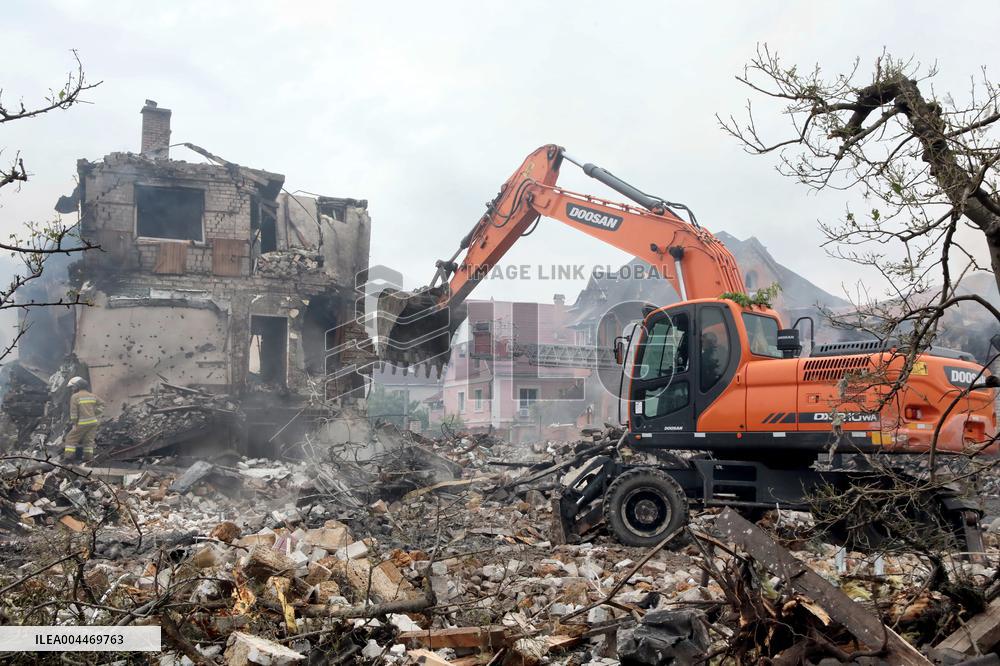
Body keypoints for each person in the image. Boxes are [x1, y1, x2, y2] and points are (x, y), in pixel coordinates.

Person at [64, 376, 104, 462]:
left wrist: (74, 424)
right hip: (93, 422)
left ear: (77, 386)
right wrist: (94, 412)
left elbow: (73, 413)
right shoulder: (92, 396)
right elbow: (102, 405)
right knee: (88, 441)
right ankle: (88, 459)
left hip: (82, 423)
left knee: (70, 438)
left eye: (73, 387)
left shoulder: (75, 397)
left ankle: (68, 458)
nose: (72, 389)